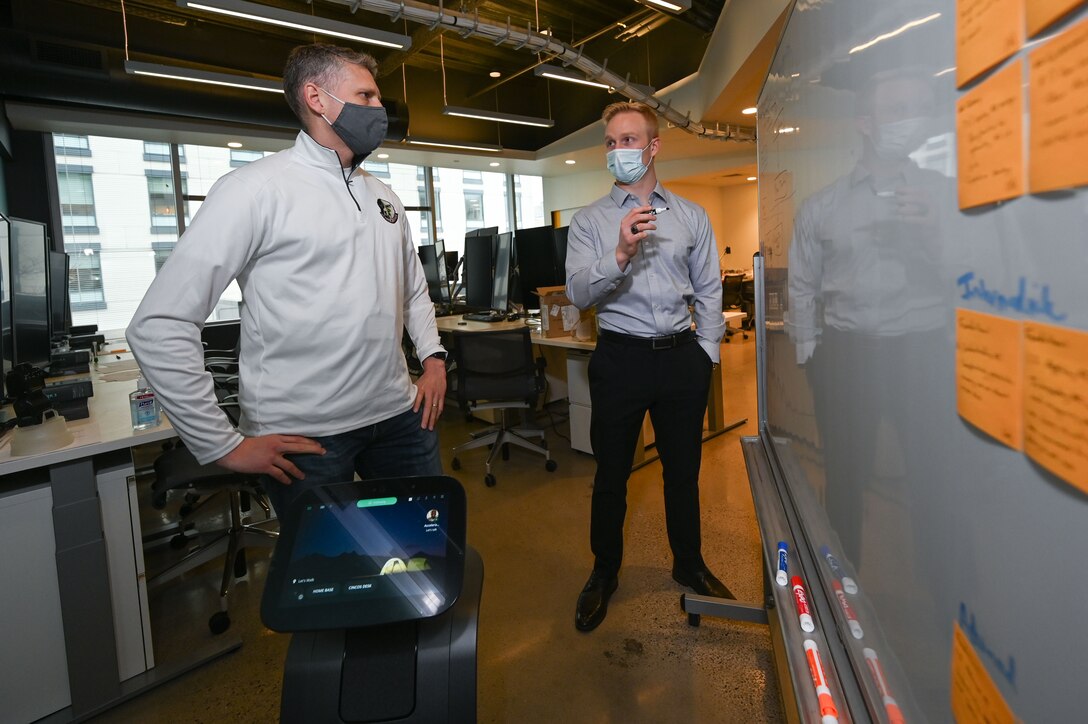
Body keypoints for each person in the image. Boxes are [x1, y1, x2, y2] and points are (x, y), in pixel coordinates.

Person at [127, 44, 448, 517]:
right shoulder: (253, 190)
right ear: (316, 98)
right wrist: (221, 444)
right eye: (366, 96)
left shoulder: (385, 197)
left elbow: (413, 290)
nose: (380, 109)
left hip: (398, 417)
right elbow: (159, 324)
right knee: (328, 562)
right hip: (305, 436)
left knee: (424, 547)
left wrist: (434, 358)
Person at [565, 101, 732, 632]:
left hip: (682, 358)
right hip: (620, 359)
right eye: (611, 142)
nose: (618, 150)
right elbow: (578, 293)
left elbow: (708, 289)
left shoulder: (691, 216)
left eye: (629, 140)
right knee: (611, 475)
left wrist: (706, 354)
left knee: (683, 472)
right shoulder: (589, 221)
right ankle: (604, 571)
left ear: (653, 146)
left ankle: (689, 563)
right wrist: (618, 254)